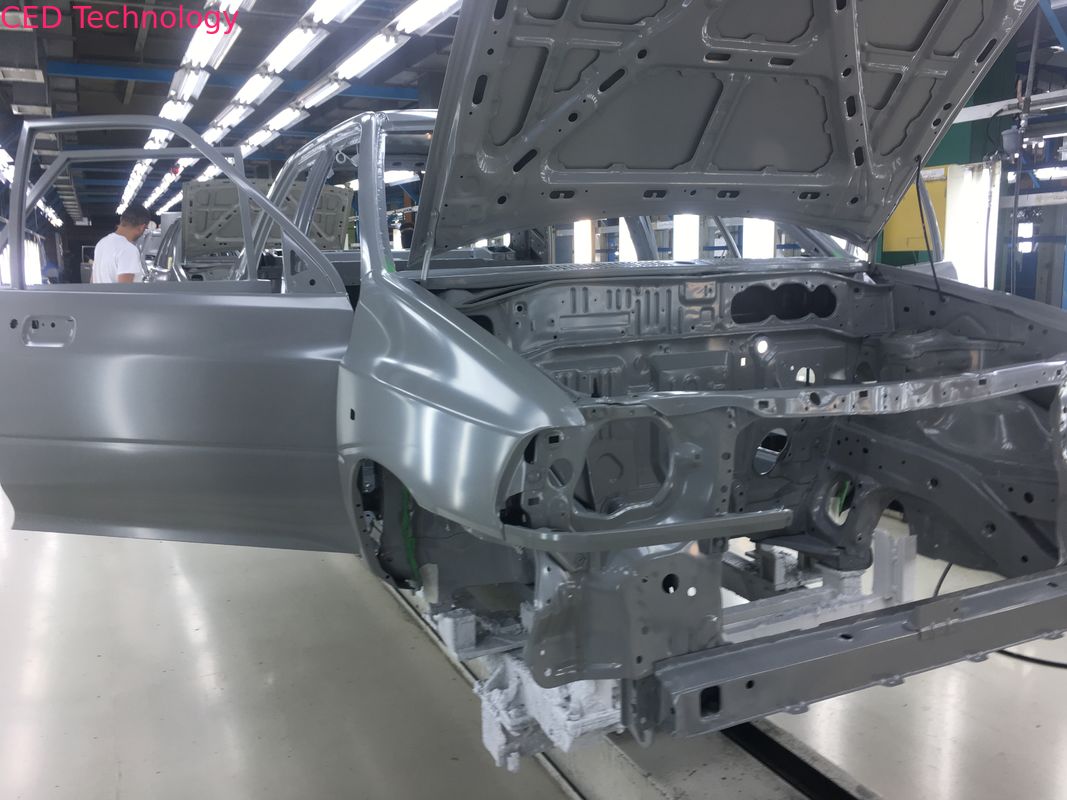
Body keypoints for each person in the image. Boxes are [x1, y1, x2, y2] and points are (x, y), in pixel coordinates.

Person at [90, 204, 151, 284]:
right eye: (145, 228)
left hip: (98, 293)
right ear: (142, 227)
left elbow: (92, 280)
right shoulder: (129, 250)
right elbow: (124, 289)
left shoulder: (101, 243)